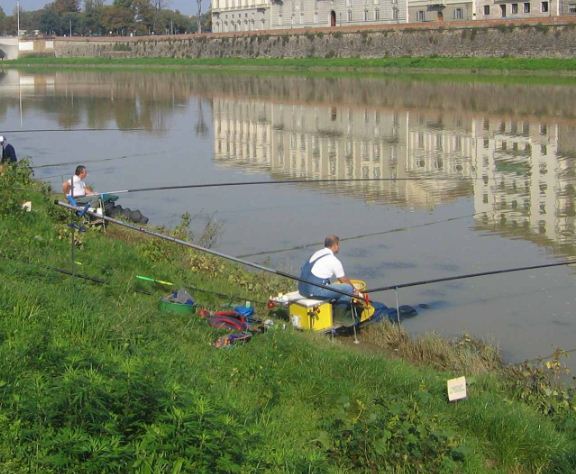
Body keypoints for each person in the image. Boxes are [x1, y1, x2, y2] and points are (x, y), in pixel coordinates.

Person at [298, 235, 358, 304]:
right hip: (312, 292)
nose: (339, 247)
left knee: (330, 284)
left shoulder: (317, 253)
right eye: (338, 245)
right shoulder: (334, 260)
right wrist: (355, 290)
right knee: (348, 289)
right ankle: (340, 313)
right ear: (335, 245)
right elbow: (343, 280)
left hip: (302, 289)